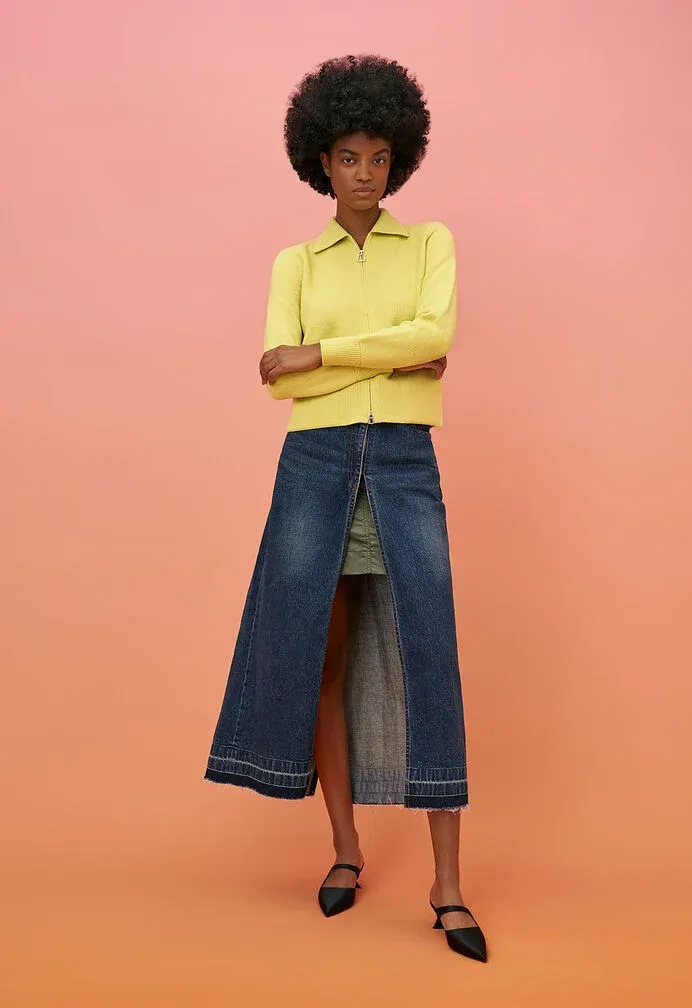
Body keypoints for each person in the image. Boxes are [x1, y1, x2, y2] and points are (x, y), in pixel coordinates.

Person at [204, 54, 487, 963]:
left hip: (403, 462)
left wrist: (322, 353)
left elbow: (432, 334)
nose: (364, 173)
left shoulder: (430, 242)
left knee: (429, 652)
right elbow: (276, 377)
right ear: (320, 161)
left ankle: (447, 886)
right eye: (348, 157)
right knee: (315, 654)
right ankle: (345, 849)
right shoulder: (294, 262)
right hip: (315, 464)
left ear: (398, 158)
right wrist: (398, 358)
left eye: (379, 157)